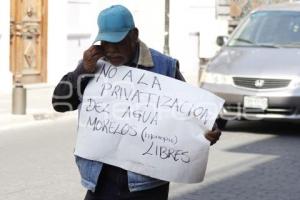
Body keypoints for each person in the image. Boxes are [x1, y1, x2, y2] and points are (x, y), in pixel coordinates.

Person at [52, 5, 221, 200]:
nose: (112, 50)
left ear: (134, 36)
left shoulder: (164, 66)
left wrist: (208, 130)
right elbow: (60, 103)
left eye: (119, 42)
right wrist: (82, 71)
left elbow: (191, 114)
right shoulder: (93, 64)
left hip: (146, 186)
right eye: (106, 43)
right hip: (101, 181)